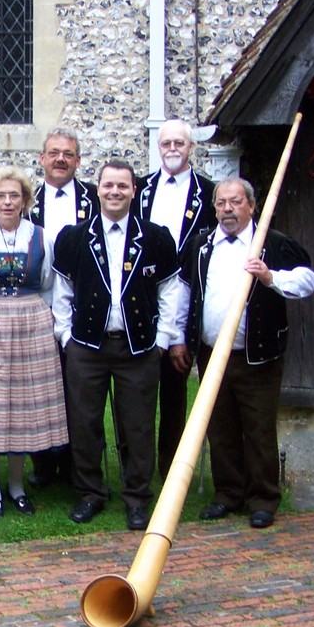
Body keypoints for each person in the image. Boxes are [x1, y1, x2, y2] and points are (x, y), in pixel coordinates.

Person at [169, 177, 314, 529]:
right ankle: (228, 494)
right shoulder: (203, 244)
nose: (228, 209)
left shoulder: (272, 244)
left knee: (259, 429)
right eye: (221, 203)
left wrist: (270, 278)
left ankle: (263, 498)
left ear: (251, 205)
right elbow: (184, 293)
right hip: (211, 353)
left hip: (258, 357)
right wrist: (179, 338)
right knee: (219, 426)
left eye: (235, 202)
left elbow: (308, 281)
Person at [51, 160, 182, 530]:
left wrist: (162, 339)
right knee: (85, 422)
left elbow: (171, 291)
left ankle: (137, 498)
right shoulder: (73, 237)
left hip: (138, 347)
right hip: (86, 347)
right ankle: (90, 493)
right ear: (97, 188)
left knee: (138, 425)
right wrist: (65, 336)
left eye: (122, 186)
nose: (114, 192)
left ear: (134, 190)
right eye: (108, 185)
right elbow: (62, 291)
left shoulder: (156, 237)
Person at [0, 166, 68, 518]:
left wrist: (46, 321)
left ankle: (18, 485)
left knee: (23, 407)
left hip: (31, 322)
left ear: (26, 201)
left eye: (14, 196)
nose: (7, 202)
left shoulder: (40, 236)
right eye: (0, 196)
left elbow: (50, 284)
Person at [133, 119, 217, 478]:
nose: (171, 149)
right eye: (165, 143)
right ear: (158, 147)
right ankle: (136, 468)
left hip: (186, 297)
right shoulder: (140, 189)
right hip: (142, 300)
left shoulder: (209, 193)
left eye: (179, 143)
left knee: (174, 390)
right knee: (135, 394)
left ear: (190, 148)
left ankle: (171, 469)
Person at [26, 127, 98, 490]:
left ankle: (76, 463)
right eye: (53, 153)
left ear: (78, 161)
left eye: (68, 154)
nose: (60, 159)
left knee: (78, 390)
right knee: (40, 387)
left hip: (82, 304)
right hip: (38, 305)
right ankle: (42, 464)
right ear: (42, 159)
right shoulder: (27, 202)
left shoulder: (96, 199)